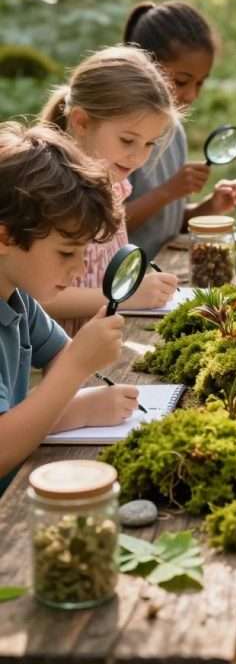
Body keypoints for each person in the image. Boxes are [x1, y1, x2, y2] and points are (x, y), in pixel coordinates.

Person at [0, 122, 137, 493]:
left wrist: (75, 407)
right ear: (5, 237)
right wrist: (78, 368)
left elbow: (59, 354)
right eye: (66, 253)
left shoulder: (18, 296)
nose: (78, 270)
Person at [39, 46, 178, 333]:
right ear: (81, 122)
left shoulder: (114, 186)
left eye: (149, 144)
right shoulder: (51, 194)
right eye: (127, 140)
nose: (138, 157)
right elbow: (36, 299)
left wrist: (136, 285)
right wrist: (125, 297)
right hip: (57, 354)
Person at [123, 1, 236, 260]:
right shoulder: (121, 134)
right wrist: (168, 190)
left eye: (200, 83)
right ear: (144, 65)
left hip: (164, 270)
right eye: (181, 81)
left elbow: (168, 225)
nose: (191, 95)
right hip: (125, 279)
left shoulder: (174, 130)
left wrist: (212, 205)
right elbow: (105, 230)